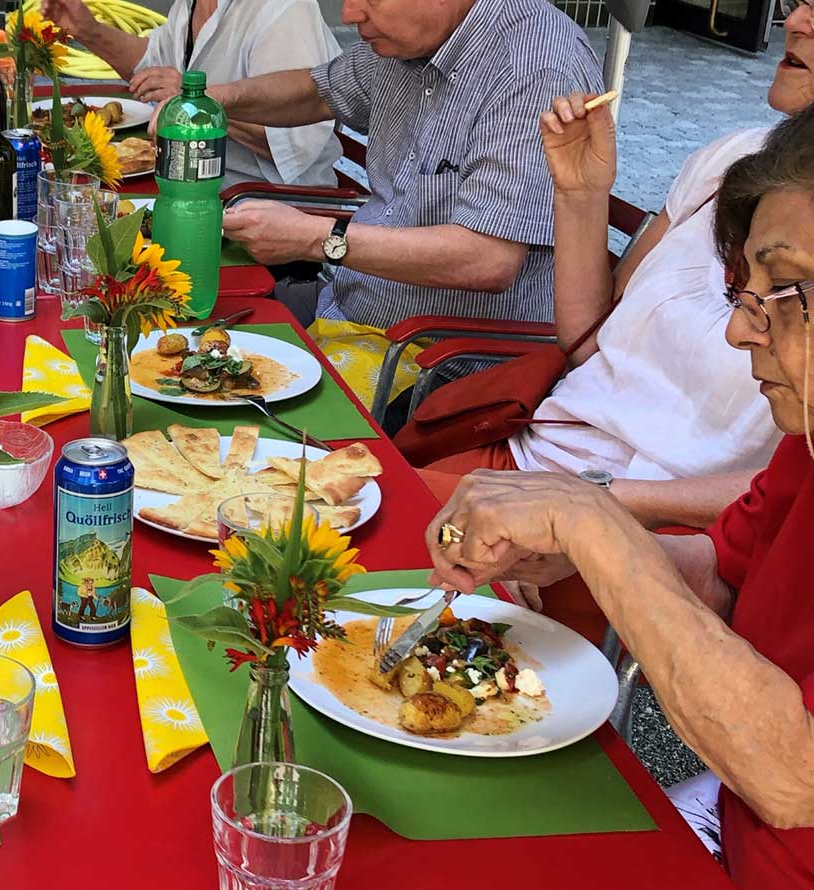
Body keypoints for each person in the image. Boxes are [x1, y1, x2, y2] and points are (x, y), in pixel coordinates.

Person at [424, 106, 814, 884]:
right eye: (748, 291)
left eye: (787, 290)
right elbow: (724, 577)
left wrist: (591, 518)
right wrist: (580, 547)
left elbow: (792, 776)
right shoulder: (805, 447)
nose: (742, 334)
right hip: (723, 829)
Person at [419, 0, 814, 531]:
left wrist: (588, 501)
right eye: (799, 2)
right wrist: (580, 191)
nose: (793, 22)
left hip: (657, 531)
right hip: (533, 461)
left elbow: (789, 494)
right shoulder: (730, 160)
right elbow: (589, 343)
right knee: (299, 510)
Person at [211, 0, 601, 411]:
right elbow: (319, 92)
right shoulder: (405, 40)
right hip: (349, 306)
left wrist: (314, 239)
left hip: (441, 362)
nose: (349, 15)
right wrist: (215, 99)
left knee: (231, 422)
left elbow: (488, 259)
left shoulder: (534, 68)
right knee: (184, 323)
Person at [42, 0, 342, 188]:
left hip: (271, 213)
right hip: (200, 195)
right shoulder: (190, 6)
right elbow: (151, 67)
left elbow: (294, 143)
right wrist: (87, 30)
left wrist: (193, 101)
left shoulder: (284, 8)